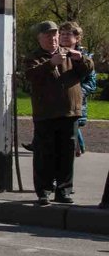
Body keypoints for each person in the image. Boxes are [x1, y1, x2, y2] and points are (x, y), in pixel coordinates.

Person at [23, 20, 91, 205]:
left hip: (69, 112)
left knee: (66, 154)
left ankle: (64, 190)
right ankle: (44, 191)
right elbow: (30, 75)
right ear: (40, 38)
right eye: (48, 35)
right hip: (46, 113)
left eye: (55, 35)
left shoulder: (69, 53)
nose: (53, 38)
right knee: (45, 154)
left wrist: (81, 59)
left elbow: (88, 70)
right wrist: (50, 64)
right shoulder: (34, 57)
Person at [59, 22, 97, 155]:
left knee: (71, 127)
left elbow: (92, 84)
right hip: (56, 104)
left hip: (75, 104)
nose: (63, 37)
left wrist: (76, 92)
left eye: (68, 34)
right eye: (61, 34)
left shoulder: (85, 58)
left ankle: (78, 146)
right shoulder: (54, 54)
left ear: (77, 37)